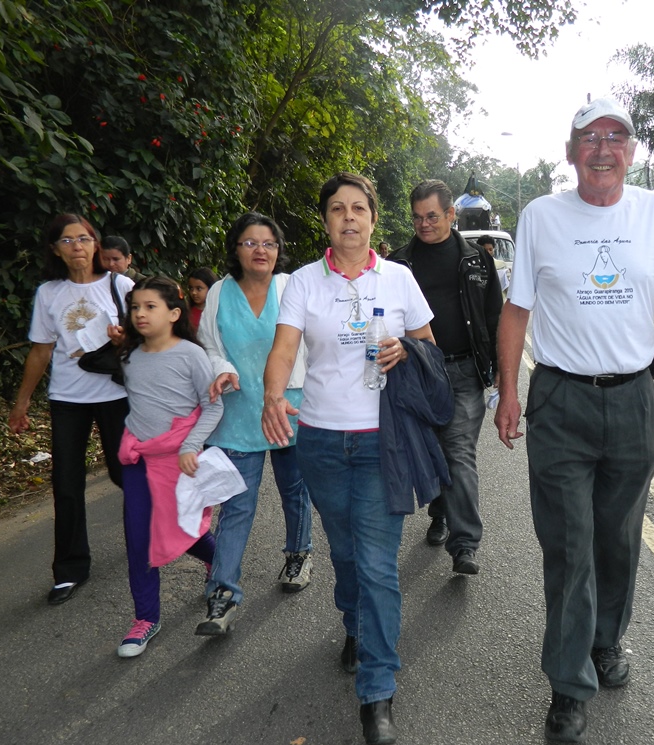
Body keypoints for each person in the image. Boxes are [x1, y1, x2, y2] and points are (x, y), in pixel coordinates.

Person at [494, 97, 654, 742]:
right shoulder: (540, 216)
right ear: (571, 152)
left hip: (633, 400)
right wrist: (508, 390)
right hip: (561, 401)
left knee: (618, 538)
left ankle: (606, 640)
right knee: (569, 546)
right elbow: (517, 311)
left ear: (631, 152)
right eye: (590, 138)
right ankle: (570, 683)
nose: (603, 148)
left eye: (616, 137)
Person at [262, 172, 436, 745]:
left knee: (379, 565)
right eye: (337, 209)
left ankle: (378, 692)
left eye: (358, 208)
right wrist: (272, 397)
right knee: (344, 555)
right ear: (327, 221)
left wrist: (404, 349)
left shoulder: (401, 277)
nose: (349, 217)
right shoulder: (305, 283)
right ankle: (354, 626)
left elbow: (429, 348)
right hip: (320, 441)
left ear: (373, 218)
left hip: (381, 442)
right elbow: (285, 348)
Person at [195, 212, 314, 636]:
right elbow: (209, 346)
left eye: (269, 242)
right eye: (250, 242)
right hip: (238, 411)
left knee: (294, 491)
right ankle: (222, 594)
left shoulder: (292, 286)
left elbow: (313, 342)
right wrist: (222, 368)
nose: (260, 250)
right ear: (236, 249)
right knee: (236, 504)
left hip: (289, 407)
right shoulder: (218, 293)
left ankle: (299, 553)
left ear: (279, 250)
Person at [8, 214, 135, 605]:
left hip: (115, 395)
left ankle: (150, 541)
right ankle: (70, 569)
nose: (77, 246)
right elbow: (42, 349)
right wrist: (23, 400)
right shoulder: (49, 293)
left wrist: (123, 338)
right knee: (65, 483)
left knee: (125, 474)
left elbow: (151, 334)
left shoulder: (121, 285)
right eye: (67, 240)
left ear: (96, 245)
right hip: (67, 398)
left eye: (83, 238)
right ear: (55, 250)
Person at [389, 180, 502, 574]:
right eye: (418, 217)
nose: (424, 224)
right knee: (431, 449)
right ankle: (439, 511)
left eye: (432, 216)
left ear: (451, 214)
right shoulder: (399, 263)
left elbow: (494, 316)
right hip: (417, 371)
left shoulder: (476, 259)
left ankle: (465, 542)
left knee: (458, 453)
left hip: (464, 369)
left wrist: (501, 371)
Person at [114, 276, 223, 657]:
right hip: (139, 460)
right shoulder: (129, 356)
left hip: (180, 461)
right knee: (139, 538)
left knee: (185, 530)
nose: (140, 314)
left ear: (175, 313)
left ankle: (219, 560)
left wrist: (191, 445)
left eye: (150, 307)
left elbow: (213, 406)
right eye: (135, 307)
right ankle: (145, 618)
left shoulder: (192, 355)